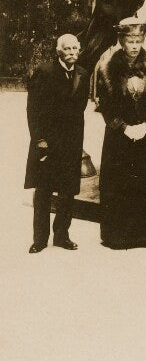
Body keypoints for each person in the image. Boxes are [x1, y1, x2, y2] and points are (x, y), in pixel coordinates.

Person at [96, 18, 146, 250]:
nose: (134, 46)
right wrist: (124, 127)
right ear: (122, 41)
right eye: (130, 41)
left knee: (143, 183)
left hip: (144, 135)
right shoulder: (108, 64)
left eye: (138, 41)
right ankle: (117, 236)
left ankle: (143, 235)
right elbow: (104, 103)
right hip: (118, 136)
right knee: (118, 184)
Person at [25, 34, 90, 253]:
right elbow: (33, 110)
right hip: (48, 143)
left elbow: (79, 110)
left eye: (75, 48)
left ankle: (62, 236)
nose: (72, 52)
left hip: (71, 143)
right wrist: (40, 140)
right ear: (58, 51)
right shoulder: (44, 72)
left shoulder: (83, 74)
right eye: (67, 49)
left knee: (67, 191)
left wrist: (76, 142)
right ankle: (40, 239)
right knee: (43, 191)